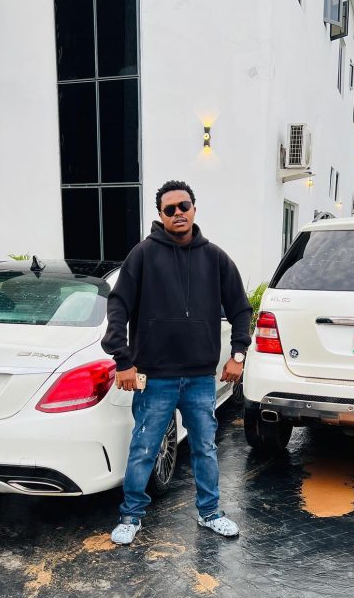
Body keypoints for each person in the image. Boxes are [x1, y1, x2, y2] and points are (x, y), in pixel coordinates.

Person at [102, 180, 252, 545]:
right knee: (144, 448)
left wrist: (238, 355)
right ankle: (131, 515)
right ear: (161, 215)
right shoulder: (143, 254)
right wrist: (123, 359)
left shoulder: (215, 257)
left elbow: (241, 308)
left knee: (205, 449)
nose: (178, 213)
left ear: (194, 209)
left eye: (183, 206)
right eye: (170, 209)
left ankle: (210, 512)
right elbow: (118, 305)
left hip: (200, 377)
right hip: (154, 377)